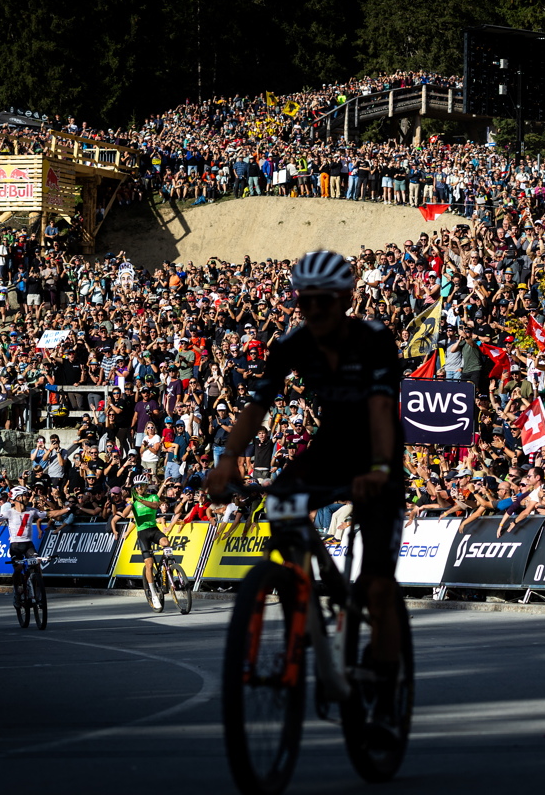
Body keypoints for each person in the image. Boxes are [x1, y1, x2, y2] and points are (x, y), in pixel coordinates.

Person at [207, 249, 406, 735]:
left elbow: (382, 409)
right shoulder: (293, 341)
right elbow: (256, 405)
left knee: (378, 584)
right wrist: (228, 459)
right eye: (304, 302)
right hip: (329, 450)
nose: (312, 311)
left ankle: (382, 688)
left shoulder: (373, 338)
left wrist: (380, 468)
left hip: (379, 454)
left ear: (345, 299)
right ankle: (301, 602)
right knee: (278, 505)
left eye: (323, 301)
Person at [113, 474, 171, 605]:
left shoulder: (152, 496)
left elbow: (155, 506)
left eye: (141, 486)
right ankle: (153, 593)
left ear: (145, 486)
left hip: (154, 529)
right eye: (137, 486)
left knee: (166, 543)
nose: (139, 488)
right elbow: (124, 514)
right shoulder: (133, 500)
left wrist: (140, 500)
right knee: (149, 565)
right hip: (143, 533)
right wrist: (132, 503)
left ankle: (167, 569)